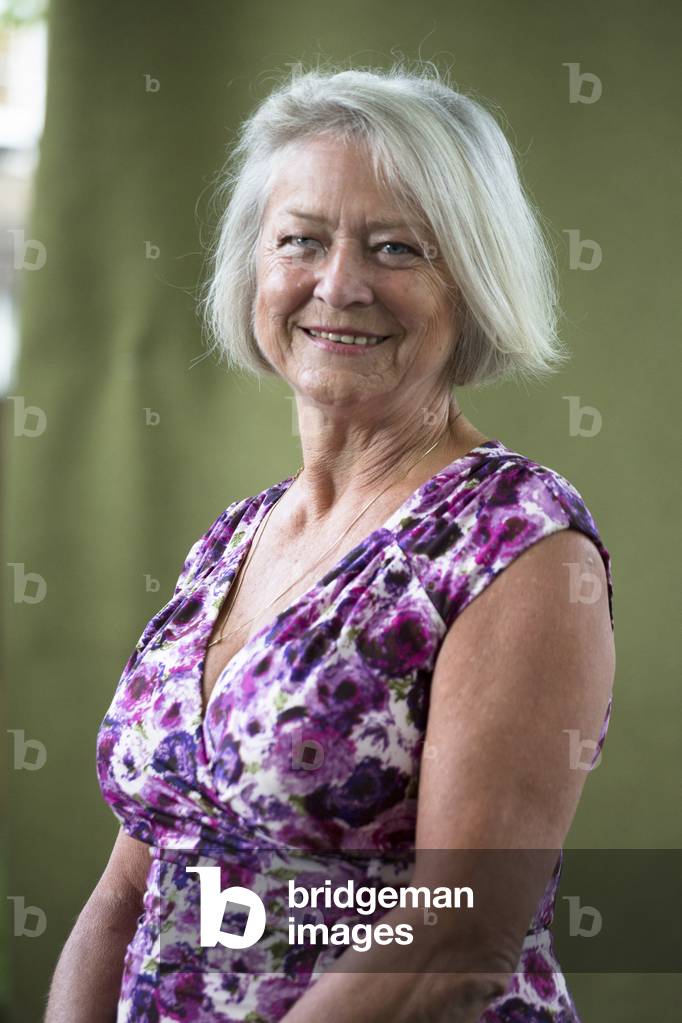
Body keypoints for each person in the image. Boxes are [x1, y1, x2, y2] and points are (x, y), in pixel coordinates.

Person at [45, 62, 615, 1023]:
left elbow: (461, 938)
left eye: (396, 248)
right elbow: (125, 894)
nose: (338, 284)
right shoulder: (236, 538)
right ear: (255, 269)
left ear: (470, 280)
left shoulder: (519, 540)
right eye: (299, 240)